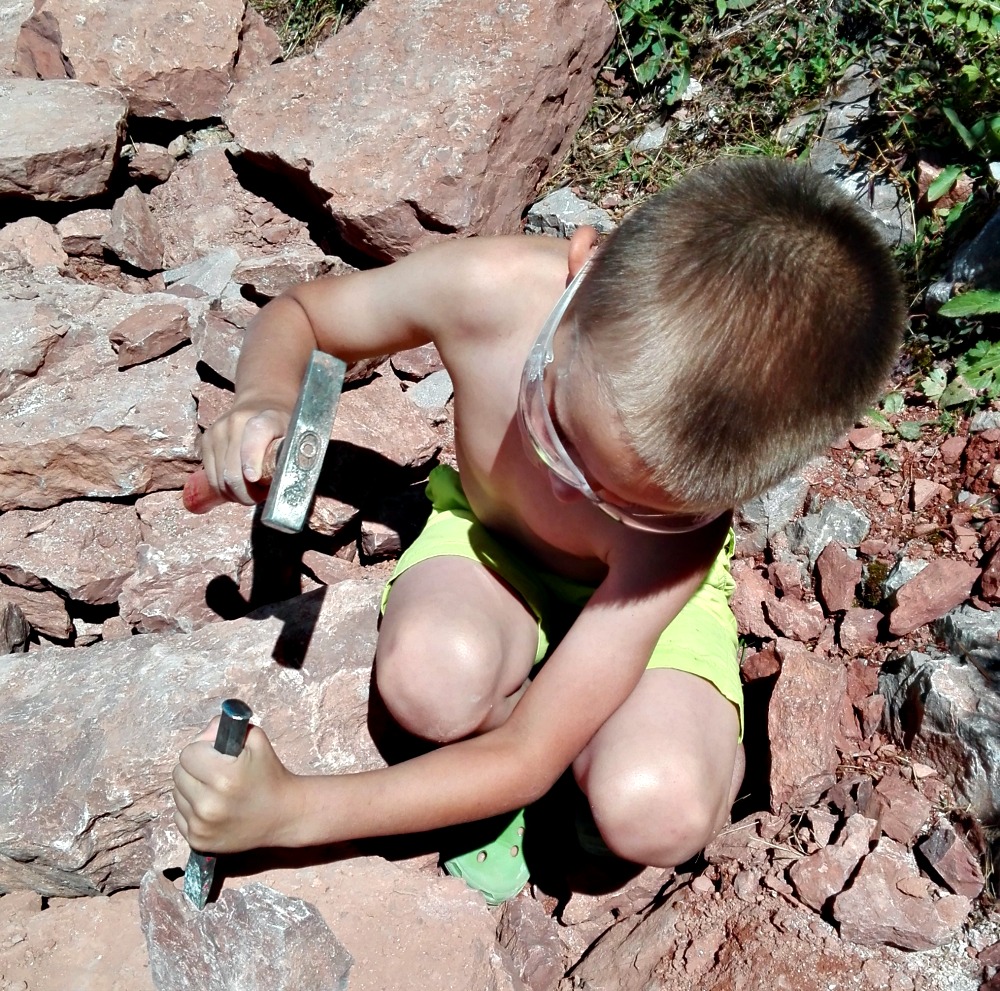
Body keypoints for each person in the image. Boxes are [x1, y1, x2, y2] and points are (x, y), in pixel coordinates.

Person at [172, 156, 905, 904]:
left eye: (633, 505)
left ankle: (571, 771)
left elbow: (525, 756)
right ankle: (532, 737)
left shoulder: (680, 540)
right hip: (493, 546)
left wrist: (290, 812)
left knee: (659, 805)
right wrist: (263, 398)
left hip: (640, 612)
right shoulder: (490, 289)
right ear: (585, 266)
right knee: (429, 678)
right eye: (556, 426)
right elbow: (306, 316)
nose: (566, 487)